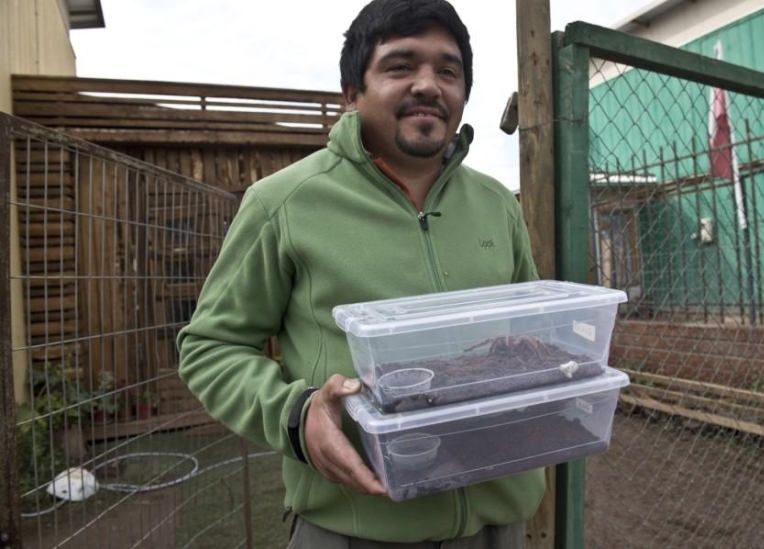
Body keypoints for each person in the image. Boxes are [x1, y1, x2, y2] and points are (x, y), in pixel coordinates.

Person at [177, 0, 544, 546]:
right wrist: (295, 415)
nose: (428, 85)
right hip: (355, 526)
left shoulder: (498, 204)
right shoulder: (284, 203)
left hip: (499, 523)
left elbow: (529, 331)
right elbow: (210, 347)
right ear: (352, 93)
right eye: (400, 66)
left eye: (448, 70)